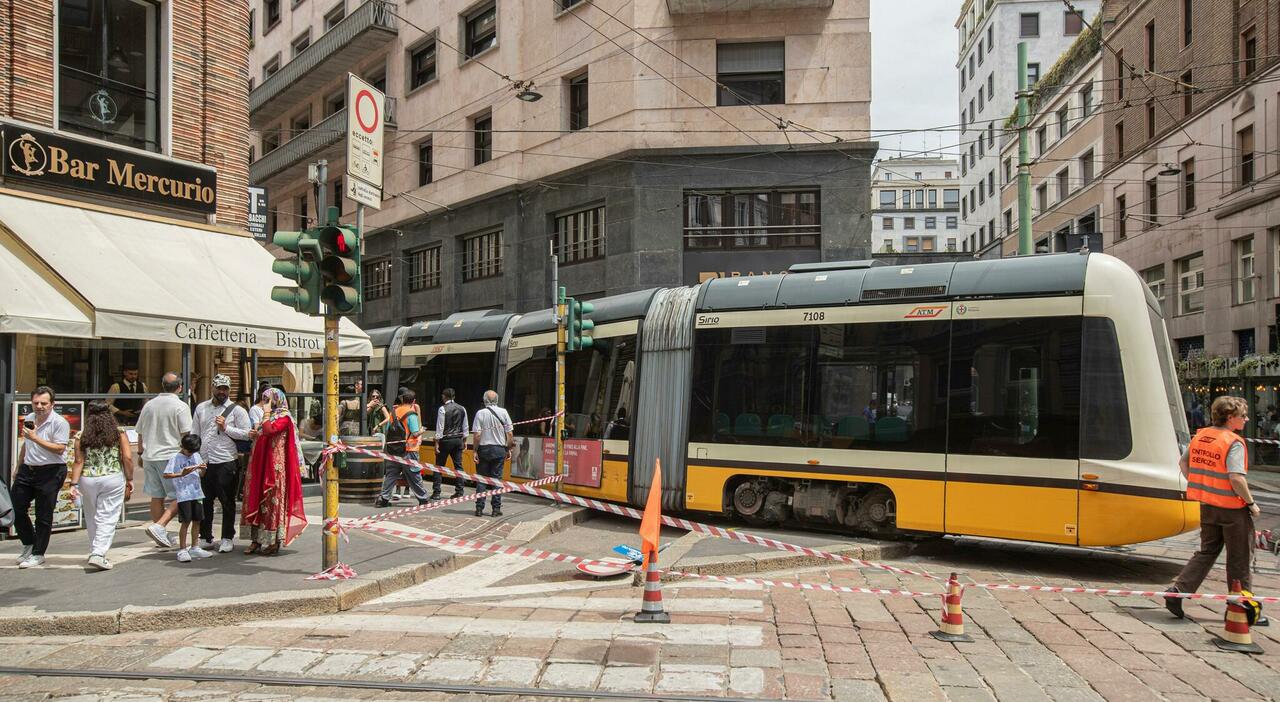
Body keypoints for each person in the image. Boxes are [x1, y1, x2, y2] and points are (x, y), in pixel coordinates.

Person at [1165, 396, 1265, 621]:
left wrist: (1200, 484)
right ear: (1230, 418)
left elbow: (1183, 463)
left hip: (1207, 505)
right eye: (1243, 416)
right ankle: (1241, 610)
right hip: (1232, 509)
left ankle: (1177, 591)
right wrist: (1251, 503)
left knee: (1207, 552)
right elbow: (1236, 478)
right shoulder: (1233, 442)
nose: (1246, 419)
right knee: (1239, 558)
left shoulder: (1202, 436)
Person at [192, 374, 253, 554]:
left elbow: (247, 434)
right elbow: (195, 433)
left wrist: (226, 428)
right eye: (219, 388)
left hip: (226, 460)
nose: (222, 392)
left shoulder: (237, 411)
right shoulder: (201, 408)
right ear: (212, 387)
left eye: (225, 388)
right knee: (205, 500)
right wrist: (195, 458)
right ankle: (206, 536)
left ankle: (227, 537)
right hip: (205, 461)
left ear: (229, 389)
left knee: (227, 501)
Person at [69, 401, 134, 571]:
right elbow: (127, 457)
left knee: (91, 515)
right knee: (108, 516)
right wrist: (130, 479)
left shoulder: (81, 435)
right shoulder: (119, 433)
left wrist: (73, 483)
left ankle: (94, 549)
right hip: (112, 477)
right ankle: (98, 553)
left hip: (87, 478)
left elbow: (78, 461)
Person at [242, 388, 307, 555]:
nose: (265, 403)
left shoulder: (284, 417)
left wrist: (265, 414)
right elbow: (264, 432)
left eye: (269, 400)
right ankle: (255, 540)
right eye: (264, 400)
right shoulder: (269, 417)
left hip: (275, 466)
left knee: (272, 501)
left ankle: (273, 541)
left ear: (277, 400)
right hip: (260, 464)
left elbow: (270, 430)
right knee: (255, 498)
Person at [12, 386, 71, 569]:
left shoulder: (59, 422)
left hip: (51, 471)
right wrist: (18, 465)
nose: (39, 406)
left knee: (43, 515)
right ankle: (29, 544)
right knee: (15, 507)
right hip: (27, 470)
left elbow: (60, 448)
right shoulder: (30, 418)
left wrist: (36, 437)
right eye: (35, 403)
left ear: (52, 404)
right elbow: (26, 444)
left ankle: (38, 553)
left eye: (43, 403)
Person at [135, 372, 193, 549]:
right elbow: (186, 435)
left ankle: (160, 533)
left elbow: (140, 431)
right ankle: (160, 526)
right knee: (182, 494)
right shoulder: (180, 406)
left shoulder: (149, 405)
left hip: (150, 455)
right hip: (171, 456)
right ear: (180, 387)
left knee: (157, 495)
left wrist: (140, 453)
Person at [378, 390, 430, 507]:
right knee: (414, 475)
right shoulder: (411, 414)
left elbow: (387, 430)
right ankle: (424, 499)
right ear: (413, 401)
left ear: (402, 400)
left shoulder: (394, 412)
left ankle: (383, 498)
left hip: (393, 449)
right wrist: (422, 431)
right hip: (409, 450)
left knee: (391, 475)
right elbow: (415, 433)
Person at [164, 434, 212, 562]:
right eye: (188, 451)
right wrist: (181, 473)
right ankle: (182, 549)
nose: (190, 454)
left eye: (193, 451)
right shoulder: (175, 457)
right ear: (182, 446)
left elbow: (201, 475)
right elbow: (167, 475)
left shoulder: (196, 456)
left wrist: (203, 469)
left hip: (197, 492)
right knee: (186, 521)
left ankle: (195, 547)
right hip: (184, 494)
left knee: (197, 520)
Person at [471, 390, 514, 518]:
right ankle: (496, 509)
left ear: (485, 400)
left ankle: (479, 508)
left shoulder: (480, 413)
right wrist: (509, 448)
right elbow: (510, 434)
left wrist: (474, 450)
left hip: (484, 449)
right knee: (496, 480)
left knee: (481, 479)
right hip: (499, 449)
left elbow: (477, 434)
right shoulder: (504, 412)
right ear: (497, 400)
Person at [433, 387, 469, 500]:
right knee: (458, 466)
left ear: (444, 396)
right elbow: (465, 426)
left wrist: (437, 442)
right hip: (458, 440)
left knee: (439, 466)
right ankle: (459, 490)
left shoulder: (442, 409)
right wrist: (465, 440)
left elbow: (440, 427)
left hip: (446, 440)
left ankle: (437, 492)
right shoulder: (462, 408)